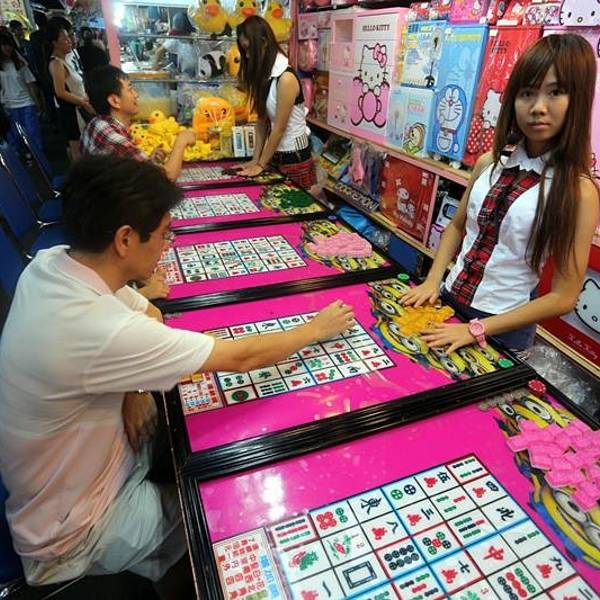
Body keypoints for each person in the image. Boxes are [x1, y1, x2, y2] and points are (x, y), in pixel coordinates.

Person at [0, 154, 354, 594]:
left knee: (177, 432)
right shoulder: (97, 327)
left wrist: (132, 386)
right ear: (125, 239)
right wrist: (315, 330)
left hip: (80, 475)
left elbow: (147, 312)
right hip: (74, 532)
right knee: (226, 515)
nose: (168, 245)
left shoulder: (53, 263)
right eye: (164, 234)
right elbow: (241, 358)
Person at [401, 34, 599, 358]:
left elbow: (564, 296)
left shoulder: (579, 191)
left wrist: (477, 329)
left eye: (555, 92)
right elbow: (456, 226)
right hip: (448, 301)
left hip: (503, 328)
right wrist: (432, 281)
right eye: (527, 93)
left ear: (577, 99)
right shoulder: (489, 162)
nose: (538, 108)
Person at [235, 16, 316, 188]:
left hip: (295, 158)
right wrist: (255, 159)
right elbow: (261, 121)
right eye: (244, 50)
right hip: (275, 155)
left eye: (249, 49)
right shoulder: (266, 75)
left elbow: (279, 128)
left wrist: (260, 165)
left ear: (264, 43)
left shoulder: (286, 78)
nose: (247, 56)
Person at [81, 64, 196, 181]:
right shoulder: (114, 139)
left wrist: (149, 161)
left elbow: (126, 168)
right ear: (115, 101)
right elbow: (165, 178)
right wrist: (181, 142)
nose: (136, 95)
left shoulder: (96, 123)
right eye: (130, 89)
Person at [0, 31, 49, 170]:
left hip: (26, 102)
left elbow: (30, 84)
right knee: (15, 136)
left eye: (9, 45)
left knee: (33, 133)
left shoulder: (19, 62)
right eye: (4, 45)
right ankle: (24, 157)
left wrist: (37, 102)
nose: (8, 48)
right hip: (9, 105)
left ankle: (38, 159)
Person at [47, 22, 93, 159]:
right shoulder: (56, 63)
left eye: (69, 37)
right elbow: (60, 92)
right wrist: (83, 103)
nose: (70, 41)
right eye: (65, 39)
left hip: (79, 109)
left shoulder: (66, 59)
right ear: (55, 43)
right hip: (72, 113)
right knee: (77, 152)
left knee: (83, 149)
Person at [153, 12, 197, 77]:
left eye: (181, 34)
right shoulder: (177, 40)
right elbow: (159, 52)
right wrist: (155, 68)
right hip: (186, 77)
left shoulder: (200, 41)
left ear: (189, 32)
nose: (179, 37)